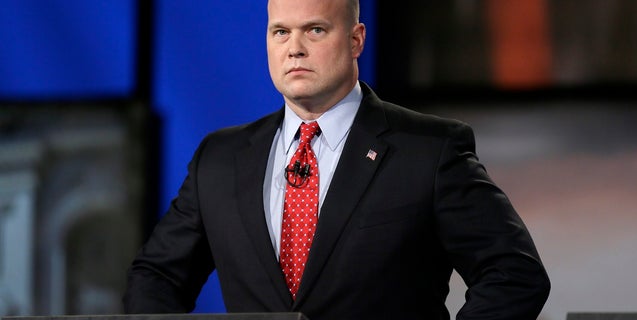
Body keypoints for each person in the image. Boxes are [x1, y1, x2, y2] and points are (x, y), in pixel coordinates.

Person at [123, 0, 551, 319]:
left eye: (314, 30)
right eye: (280, 32)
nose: (294, 49)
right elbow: (156, 277)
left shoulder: (429, 150)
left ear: (356, 40)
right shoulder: (219, 159)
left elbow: (514, 275)